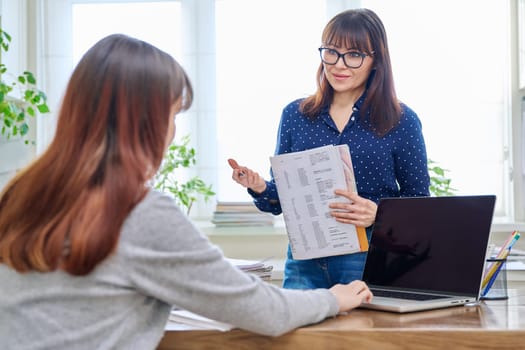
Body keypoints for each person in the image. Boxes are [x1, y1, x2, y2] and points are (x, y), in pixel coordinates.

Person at [0, 34, 373, 349]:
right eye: (174, 115)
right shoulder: (138, 211)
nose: (173, 131)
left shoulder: (19, 194)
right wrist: (333, 299)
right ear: (146, 121)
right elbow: (266, 312)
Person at [229, 8, 430, 290]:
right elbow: (282, 200)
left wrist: (379, 214)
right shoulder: (295, 115)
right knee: (299, 334)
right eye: (331, 52)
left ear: (376, 61)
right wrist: (260, 186)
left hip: (367, 258)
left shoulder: (400, 120)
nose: (339, 64)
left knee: (361, 335)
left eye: (354, 54)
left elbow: (419, 202)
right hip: (304, 261)